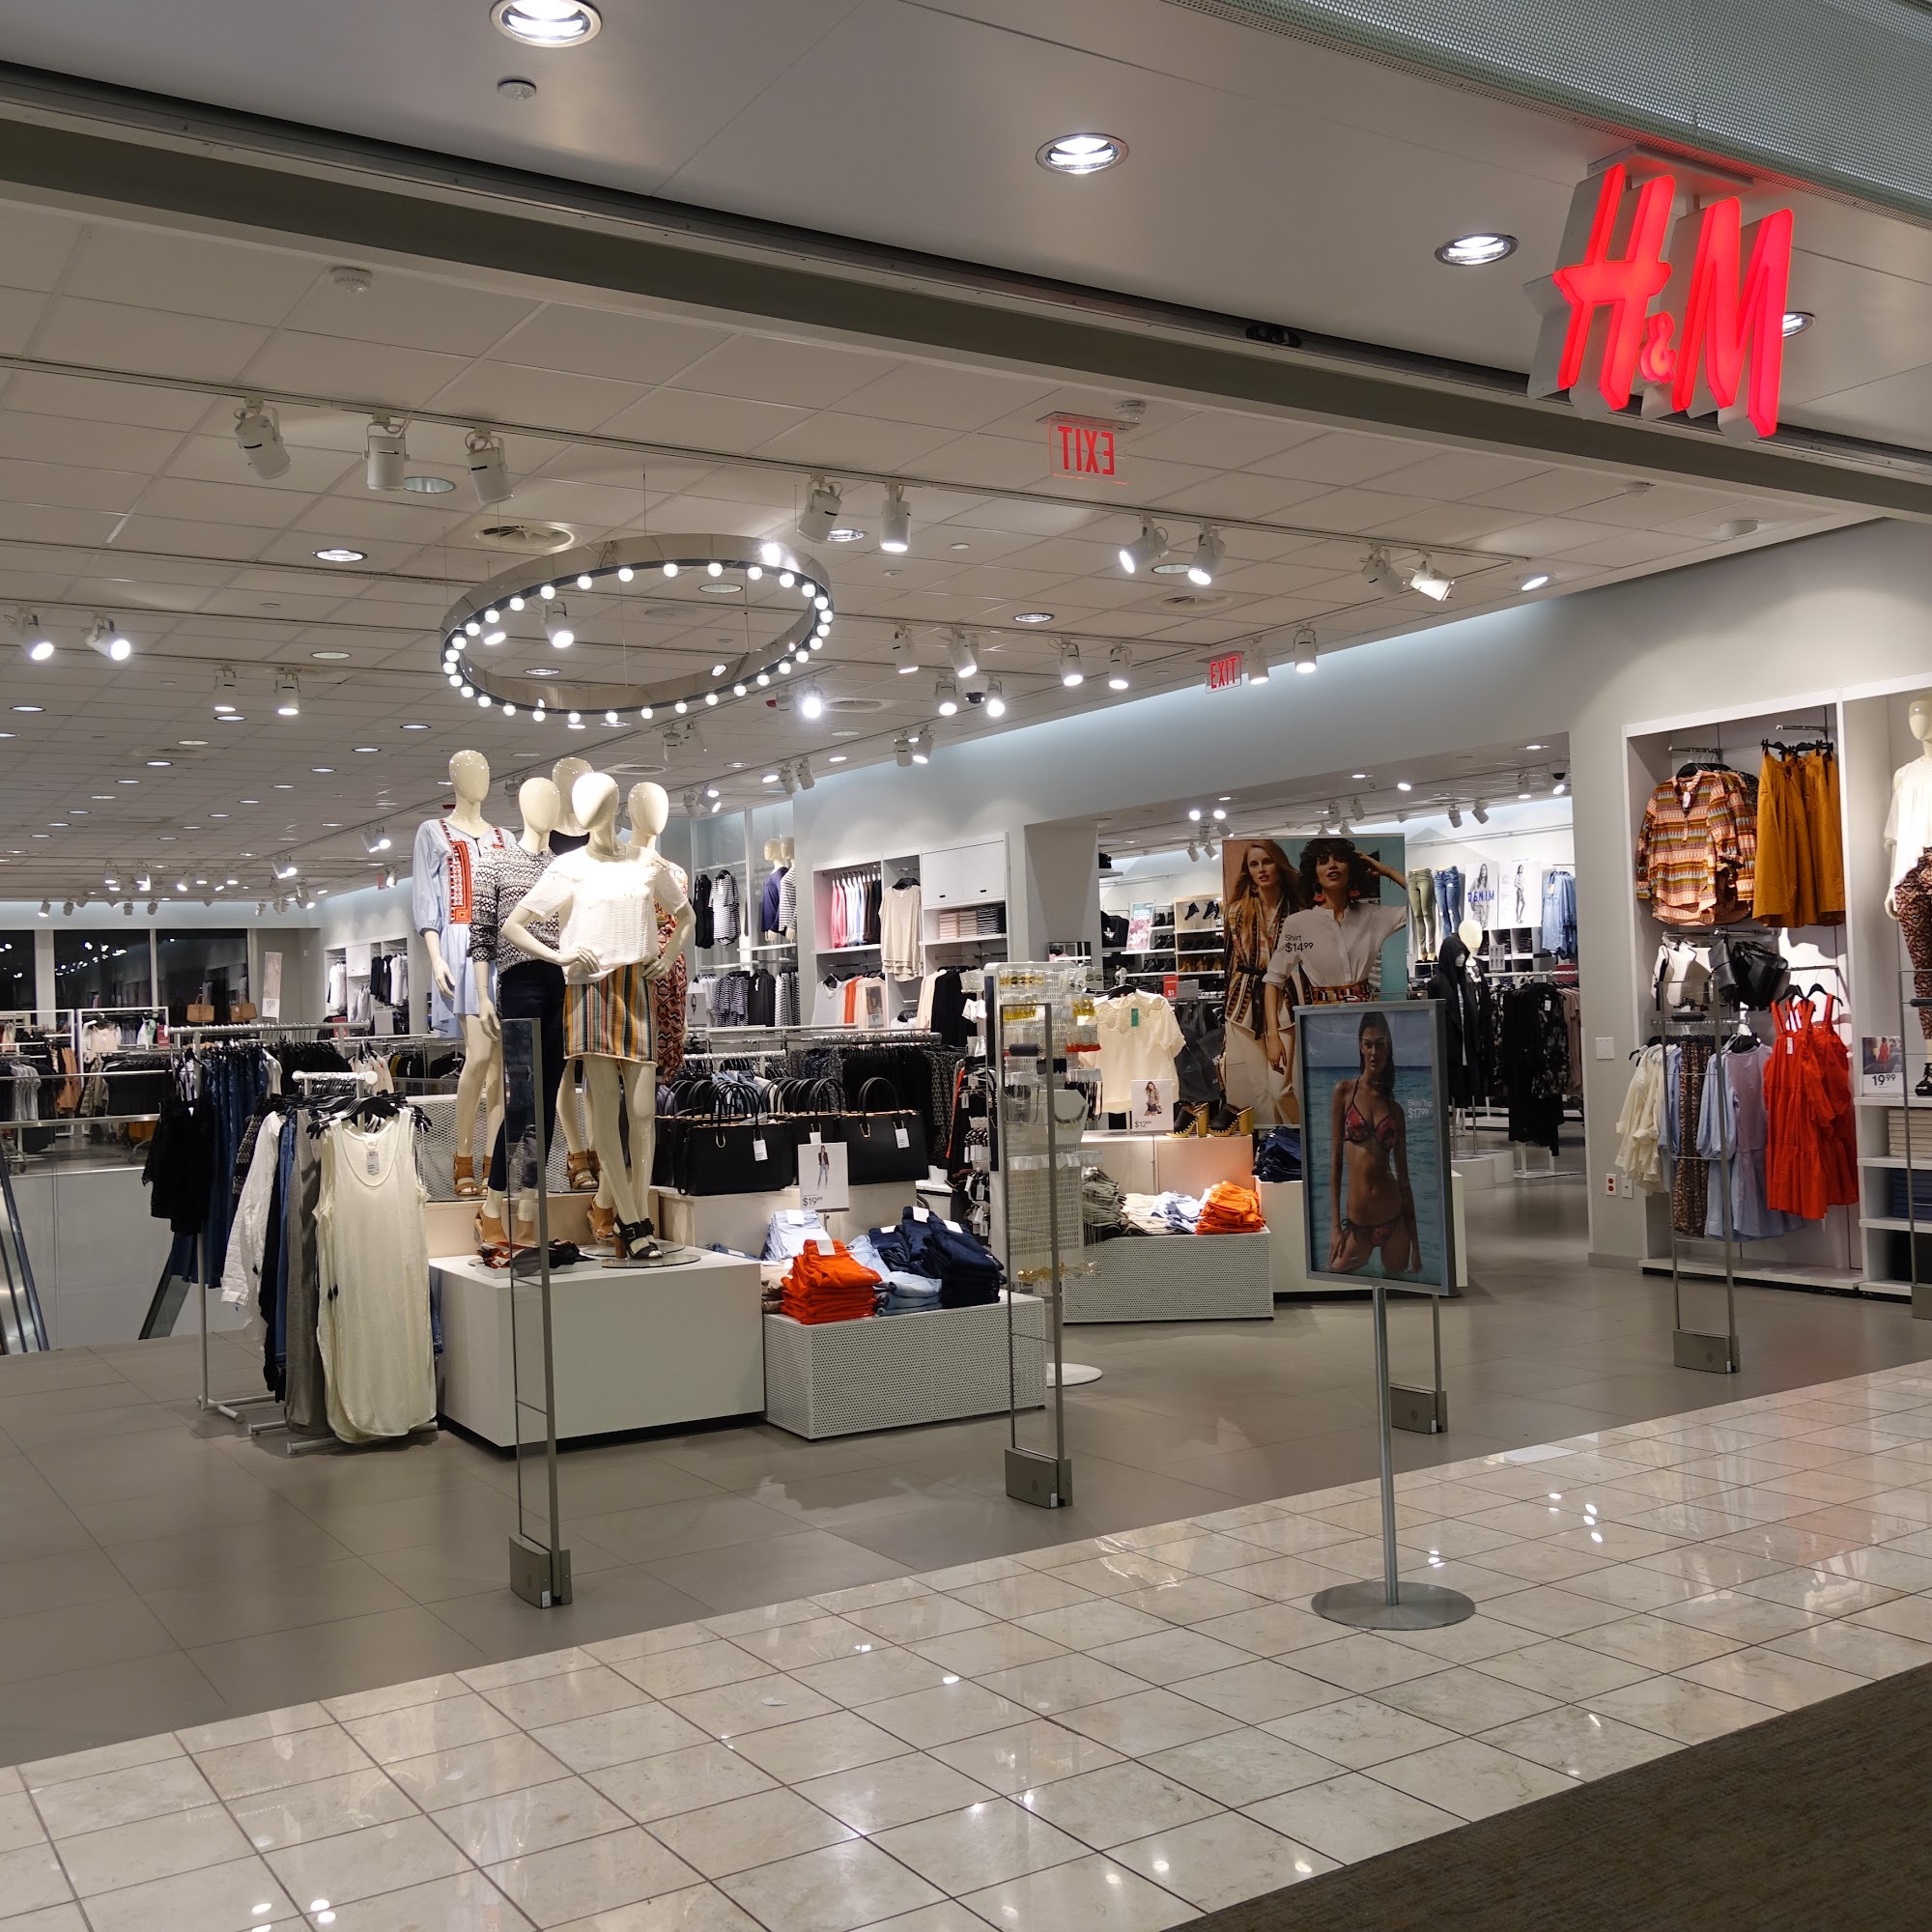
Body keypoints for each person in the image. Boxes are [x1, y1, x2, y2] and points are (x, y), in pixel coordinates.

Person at [1262, 837, 1410, 1079]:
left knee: (1371, 1087)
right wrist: (1273, 1035)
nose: (1332, 865)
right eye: (1323, 861)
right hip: (1321, 1027)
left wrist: (1386, 871)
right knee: (1326, 1091)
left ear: (1351, 868)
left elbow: (1425, 904)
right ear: (1314, 872)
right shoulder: (1299, 924)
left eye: (1340, 859)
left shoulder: (1373, 916)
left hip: (1367, 1024)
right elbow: (1273, 980)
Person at [1326, 1010, 1419, 1275]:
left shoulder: (1394, 1109)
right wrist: (1335, 1227)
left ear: (1389, 1047)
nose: (1374, 1052)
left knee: (1399, 1291)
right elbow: (1335, 1161)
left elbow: (1404, 1179)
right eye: (1368, 1044)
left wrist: (1417, 1247)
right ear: (1360, 1046)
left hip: (1394, 1220)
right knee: (1335, 1270)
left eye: (1380, 1044)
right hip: (1358, 1225)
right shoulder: (1344, 1092)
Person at [1221, 838, 1303, 1124]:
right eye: (1254, 864)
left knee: (1282, 1089)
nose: (1261, 870)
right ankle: (1273, 1146)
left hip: (1285, 1000)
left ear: (1279, 864)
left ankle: (1300, 1142)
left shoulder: (1298, 911)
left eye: (1267, 862)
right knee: (1261, 1091)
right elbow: (1229, 962)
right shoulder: (1236, 912)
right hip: (1243, 1003)